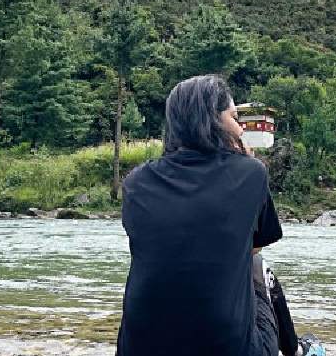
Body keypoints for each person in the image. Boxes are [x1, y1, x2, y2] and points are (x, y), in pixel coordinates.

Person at [115, 74, 325, 356]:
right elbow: (253, 248)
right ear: (213, 120)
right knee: (257, 267)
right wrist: (247, 159)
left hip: (139, 348)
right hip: (229, 348)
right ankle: (297, 351)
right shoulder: (250, 173)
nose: (240, 127)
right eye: (235, 117)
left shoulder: (135, 182)